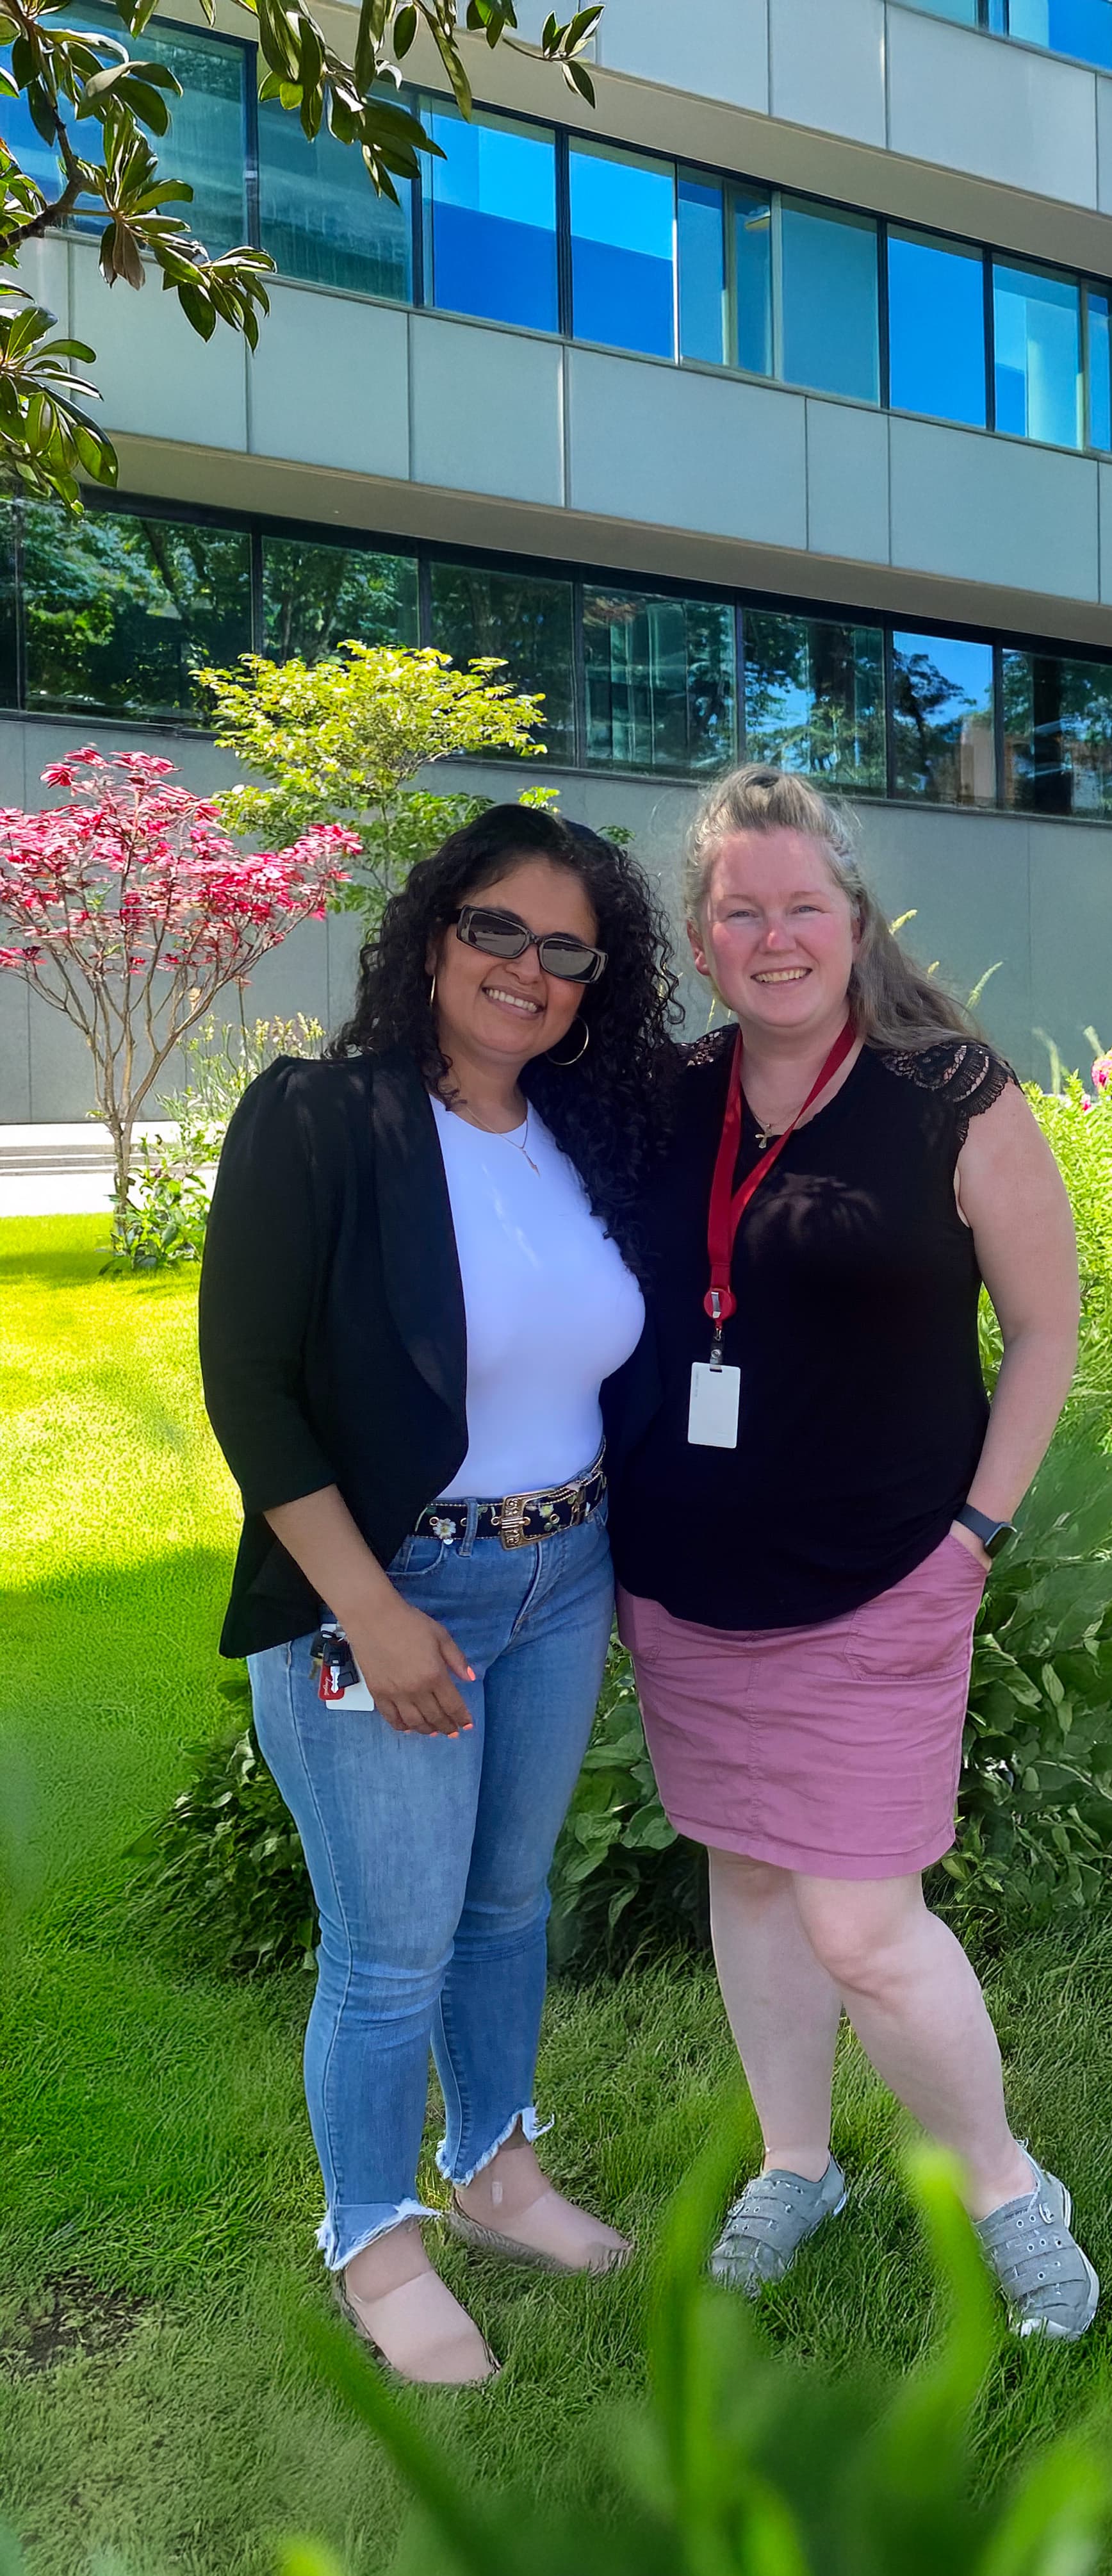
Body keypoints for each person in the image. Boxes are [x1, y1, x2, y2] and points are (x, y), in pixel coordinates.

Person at [604, 765, 1097, 2340]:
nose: (771, 934)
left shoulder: (951, 1090)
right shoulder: (669, 1099)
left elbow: (1045, 1327)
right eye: (737, 909)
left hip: (885, 1575)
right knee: (750, 1878)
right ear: (699, 932)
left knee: (863, 1925)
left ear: (852, 917)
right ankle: (799, 2163)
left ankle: (1010, 2189)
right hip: (687, 1585)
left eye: (798, 904)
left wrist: (973, 1536)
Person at [199, 807, 678, 2386]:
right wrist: (371, 1611)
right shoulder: (325, 1119)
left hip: (564, 1570)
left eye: (566, 952)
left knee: (505, 1908)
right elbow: (252, 1389)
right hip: (389, 1586)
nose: (526, 971)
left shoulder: (571, 1137)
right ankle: (370, 2233)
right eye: (496, 929)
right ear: (431, 934)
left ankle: (497, 2174)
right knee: (390, 1946)